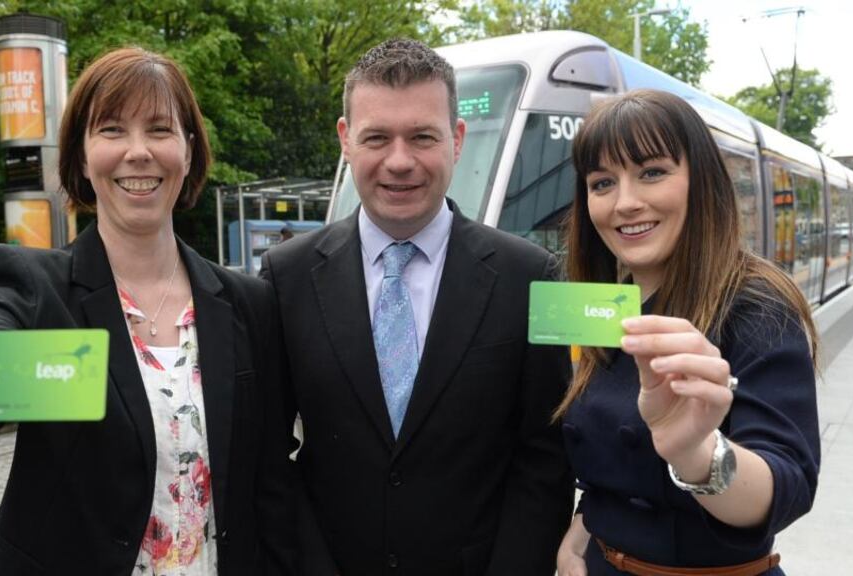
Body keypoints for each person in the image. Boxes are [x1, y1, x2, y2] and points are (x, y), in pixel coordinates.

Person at [0, 48, 295, 575]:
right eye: (112, 130)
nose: (137, 152)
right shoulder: (40, 292)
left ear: (188, 152)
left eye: (160, 130)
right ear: (80, 156)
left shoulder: (246, 302)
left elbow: (269, 483)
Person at [261, 38, 574, 575]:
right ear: (346, 141)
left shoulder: (531, 278)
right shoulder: (285, 278)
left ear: (456, 140)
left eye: (422, 137)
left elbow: (544, 461)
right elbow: (268, 455)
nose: (399, 162)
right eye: (377, 137)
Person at [554, 90, 820, 575]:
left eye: (652, 172)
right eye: (602, 182)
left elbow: (788, 485)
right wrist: (582, 533)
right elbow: (609, 457)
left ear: (701, 180)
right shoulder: (604, 307)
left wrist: (696, 452)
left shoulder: (756, 305)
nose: (625, 203)